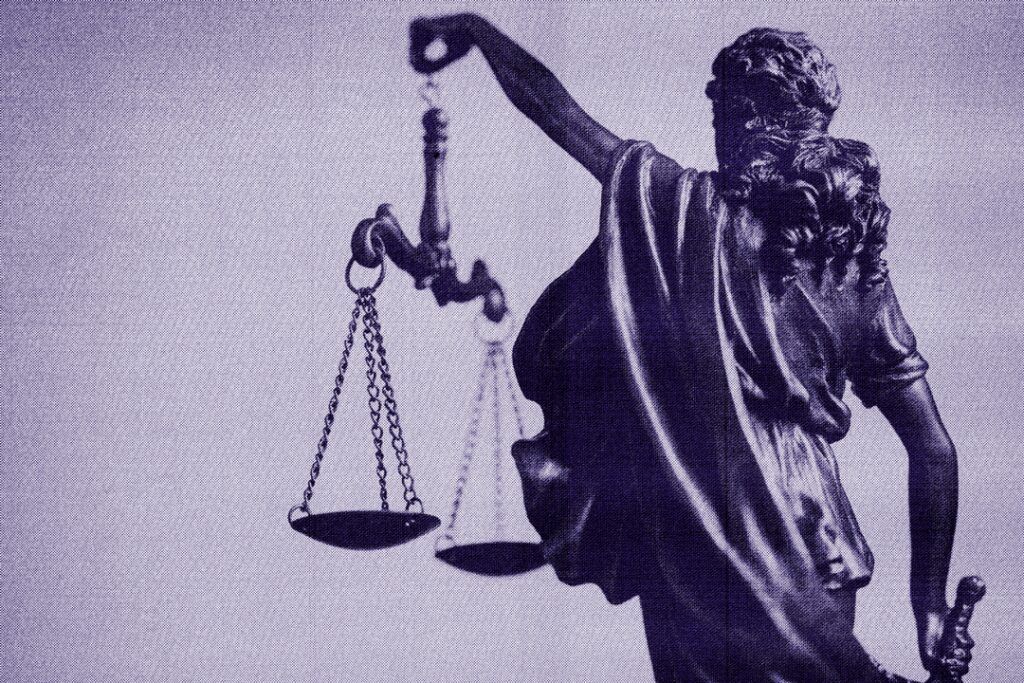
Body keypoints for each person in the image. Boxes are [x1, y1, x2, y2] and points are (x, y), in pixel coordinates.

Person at [411, 15, 960, 682]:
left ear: (747, 118)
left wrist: (476, 32)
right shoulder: (854, 267)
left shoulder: (679, 206)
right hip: (809, 542)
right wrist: (929, 604)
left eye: (721, 115)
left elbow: (556, 112)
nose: (716, 135)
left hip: (690, 538)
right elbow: (933, 446)